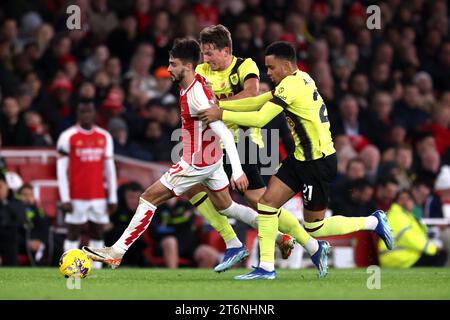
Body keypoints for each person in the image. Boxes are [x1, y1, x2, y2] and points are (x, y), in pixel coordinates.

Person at [82, 39, 329, 277]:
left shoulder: (198, 92)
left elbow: (221, 125)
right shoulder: (197, 82)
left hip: (199, 161)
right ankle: (275, 239)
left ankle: (117, 251)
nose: (169, 68)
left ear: (186, 67)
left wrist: (238, 169)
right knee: (228, 206)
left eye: (173, 64)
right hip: (211, 161)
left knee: (148, 198)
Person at [199, 41, 394, 279]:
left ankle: (373, 222)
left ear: (286, 65)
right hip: (300, 158)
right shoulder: (300, 78)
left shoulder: (290, 86)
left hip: (317, 163)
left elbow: (260, 118)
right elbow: (258, 100)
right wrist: (221, 104)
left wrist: (222, 113)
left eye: (271, 68)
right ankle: (266, 268)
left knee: (315, 227)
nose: (268, 73)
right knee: (267, 205)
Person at [177, 25, 303, 272]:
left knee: (259, 202)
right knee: (196, 187)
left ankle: (304, 241)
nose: (206, 59)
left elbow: (251, 92)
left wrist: (219, 105)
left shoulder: (245, 66)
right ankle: (242, 242)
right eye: (203, 53)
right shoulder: (202, 70)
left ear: (226, 51)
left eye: (211, 53)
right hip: (215, 143)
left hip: (244, 139)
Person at [56, 100, 118, 269]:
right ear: (78, 114)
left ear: (94, 114)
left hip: (98, 195)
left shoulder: (104, 137)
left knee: (97, 231)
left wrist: (112, 197)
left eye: (89, 111)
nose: (86, 115)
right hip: (76, 195)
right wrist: (65, 198)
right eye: (82, 112)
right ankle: (69, 267)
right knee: (73, 232)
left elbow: (110, 169)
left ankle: (95, 269)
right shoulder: (67, 136)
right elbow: (61, 170)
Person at [379, 190, 447, 268]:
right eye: (403, 198)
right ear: (398, 201)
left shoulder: (405, 215)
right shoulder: (397, 216)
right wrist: (433, 249)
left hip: (401, 255)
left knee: (440, 253)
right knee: (440, 254)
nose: (406, 201)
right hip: (395, 258)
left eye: (408, 198)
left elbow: (419, 235)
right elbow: (410, 237)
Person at [17, 184, 50, 265]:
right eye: (25, 195)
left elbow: (45, 226)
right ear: (18, 196)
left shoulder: (36, 210)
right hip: (22, 242)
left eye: (30, 195)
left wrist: (40, 241)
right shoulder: (14, 210)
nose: (28, 198)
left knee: (56, 244)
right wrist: (27, 242)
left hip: (37, 241)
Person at [0, 173, 26, 266]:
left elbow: (19, 222)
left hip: (14, 238)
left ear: (7, 186)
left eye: (0, 187)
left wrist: (5, 204)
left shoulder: (16, 203)